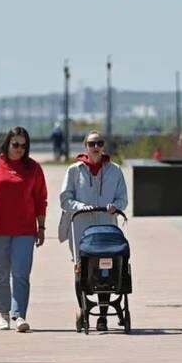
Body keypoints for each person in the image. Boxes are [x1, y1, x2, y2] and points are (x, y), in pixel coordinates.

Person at [0, 126, 47, 332]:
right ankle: (3, 314)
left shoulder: (33, 168)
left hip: (25, 230)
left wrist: (41, 227)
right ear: (7, 143)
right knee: (0, 275)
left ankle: (19, 315)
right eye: (15, 144)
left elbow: (40, 199)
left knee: (21, 274)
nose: (19, 149)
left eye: (24, 146)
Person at [58, 129, 128, 332]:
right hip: (82, 228)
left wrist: (115, 206)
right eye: (91, 144)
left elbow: (123, 198)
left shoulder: (114, 170)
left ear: (103, 146)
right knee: (82, 270)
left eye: (99, 143)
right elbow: (65, 198)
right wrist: (80, 206)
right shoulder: (74, 170)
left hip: (107, 228)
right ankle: (84, 308)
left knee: (106, 269)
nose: (96, 147)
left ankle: (103, 316)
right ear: (85, 147)